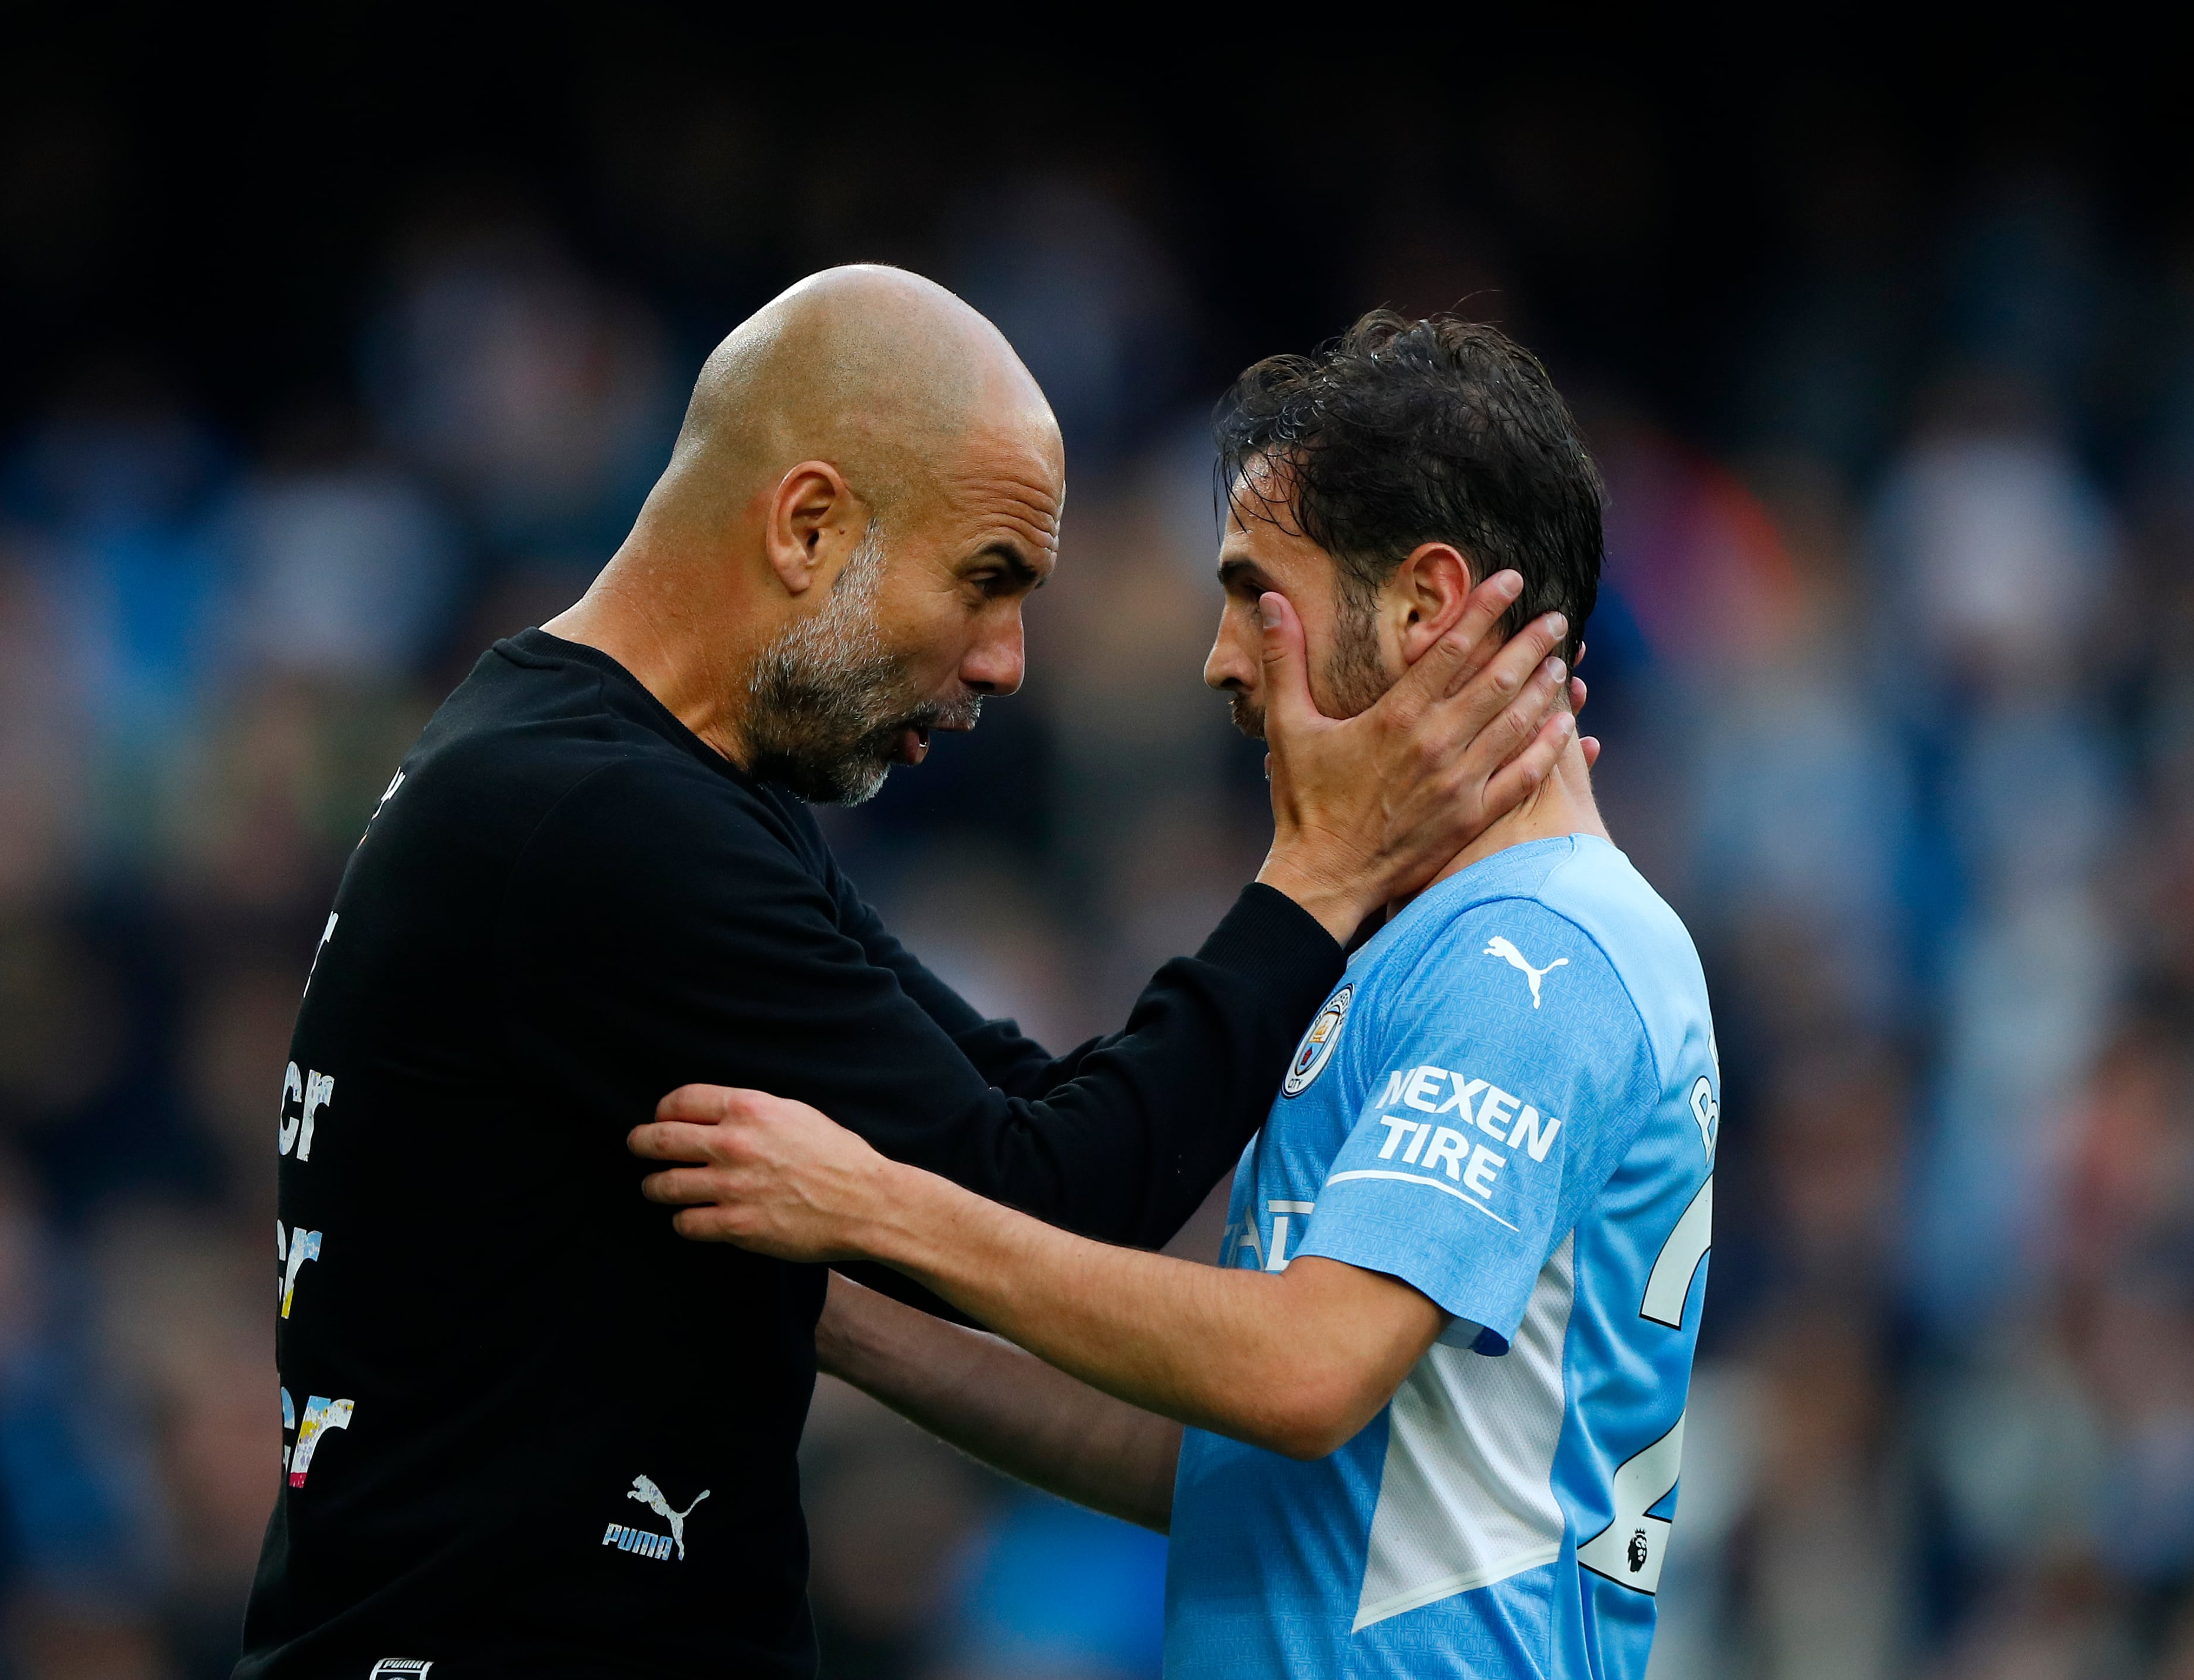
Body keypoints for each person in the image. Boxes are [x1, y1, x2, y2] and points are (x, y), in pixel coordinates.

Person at [238, 272, 1582, 1677]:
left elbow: (1030, 1113)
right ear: (809, 524)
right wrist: (1320, 875)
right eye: (987, 579)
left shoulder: (629, 784)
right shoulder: (595, 823)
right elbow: (1056, 1188)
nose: (1005, 662)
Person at [631, 312, 1717, 1680]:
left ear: (1427, 605)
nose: (1218, 657)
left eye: (1256, 588)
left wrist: (875, 1201)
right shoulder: (1436, 943)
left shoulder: (1545, 950)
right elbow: (1226, 1462)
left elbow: (1302, 1372)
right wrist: (833, 1304)